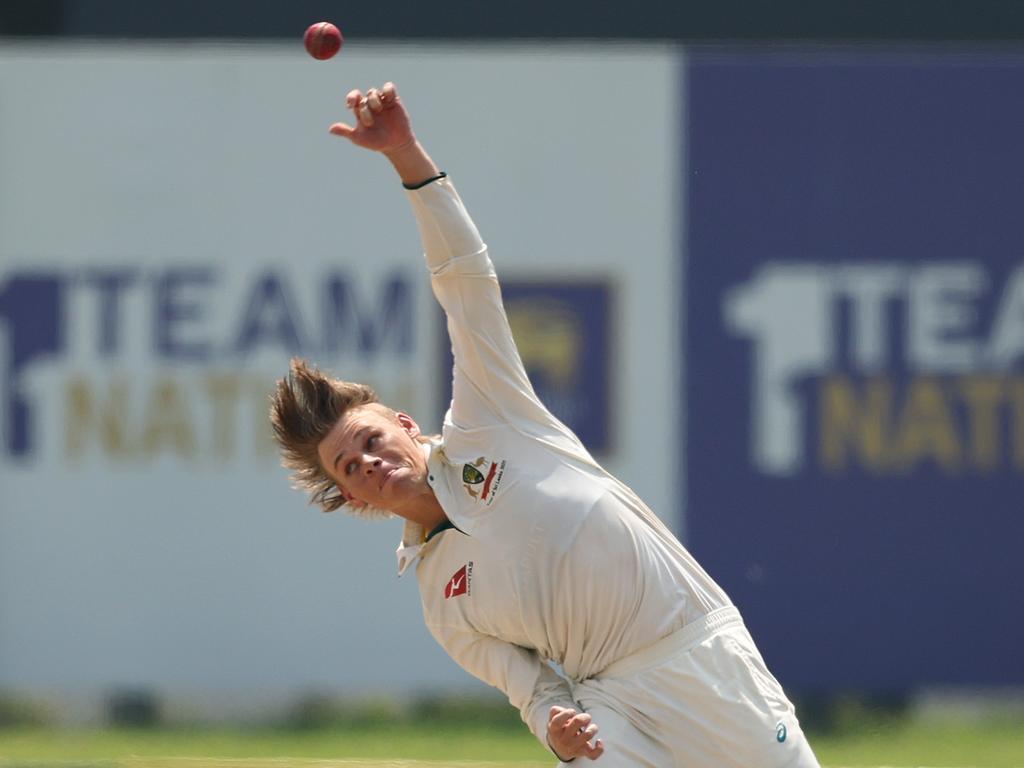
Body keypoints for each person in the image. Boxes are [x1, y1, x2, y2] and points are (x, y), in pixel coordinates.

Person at [271, 81, 820, 767]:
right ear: (352, 497)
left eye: (370, 441)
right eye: (349, 468)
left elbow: (466, 284)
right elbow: (532, 689)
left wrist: (406, 157)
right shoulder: (444, 604)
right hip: (612, 705)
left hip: (697, 652)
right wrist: (554, 727)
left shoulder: (489, 421)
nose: (369, 463)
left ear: (407, 426)